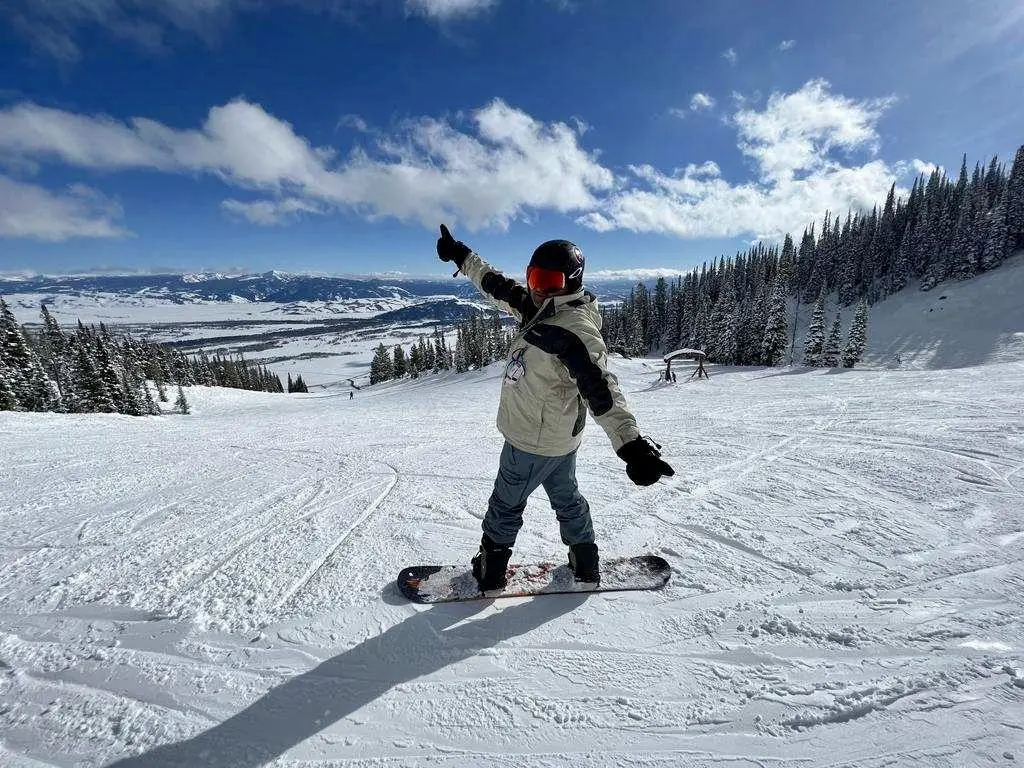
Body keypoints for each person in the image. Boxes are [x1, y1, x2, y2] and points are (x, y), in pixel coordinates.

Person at [435, 224, 674, 589]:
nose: (538, 287)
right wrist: (463, 256)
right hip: (561, 439)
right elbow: (496, 285)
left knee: (505, 504)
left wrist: (632, 446)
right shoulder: (542, 307)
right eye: (534, 277)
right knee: (567, 498)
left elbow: (601, 387)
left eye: (549, 280)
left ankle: (491, 570)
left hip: (529, 441)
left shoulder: (573, 328)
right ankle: (585, 562)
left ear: (572, 282)